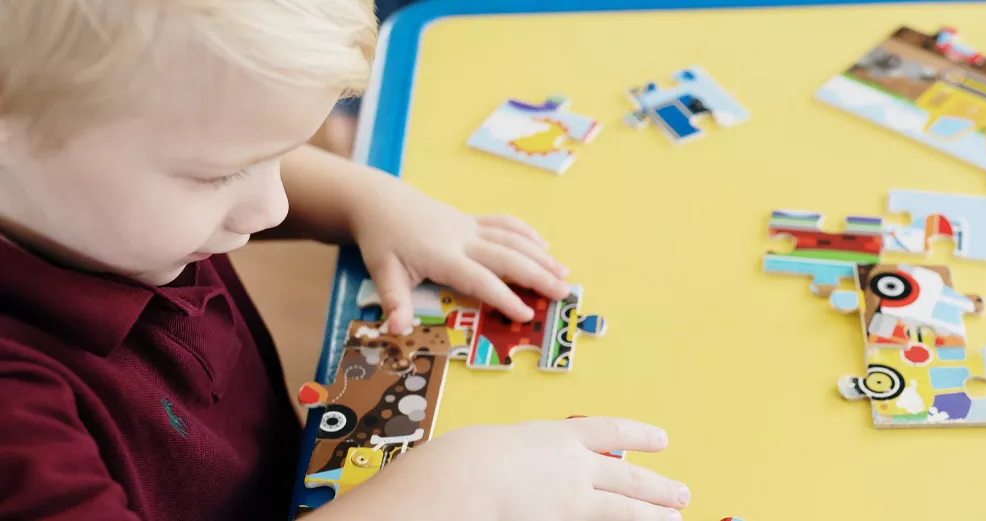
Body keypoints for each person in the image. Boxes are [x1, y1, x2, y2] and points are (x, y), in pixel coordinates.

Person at [0, 2, 689, 521]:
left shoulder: (74, 204)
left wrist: (368, 199)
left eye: (280, 155)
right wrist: (446, 496)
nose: (271, 204)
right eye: (217, 174)